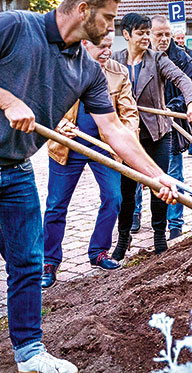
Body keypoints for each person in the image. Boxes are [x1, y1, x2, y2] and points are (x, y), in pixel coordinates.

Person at [0, 0, 181, 373]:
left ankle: (29, 354)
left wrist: (155, 174)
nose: (113, 27)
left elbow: (114, 130)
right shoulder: (14, 26)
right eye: (108, 18)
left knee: (27, 263)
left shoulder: (87, 69)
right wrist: (6, 100)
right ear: (82, 10)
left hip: (16, 170)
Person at [40, 33, 138, 289]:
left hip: (105, 147)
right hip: (67, 146)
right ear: (85, 44)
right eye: (101, 47)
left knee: (113, 198)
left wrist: (125, 140)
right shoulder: (63, 67)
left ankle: (99, 252)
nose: (108, 51)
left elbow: (129, 112)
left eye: (110, 46)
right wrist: (58, 123)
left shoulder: (118, 72)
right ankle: (49, 261)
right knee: (56, 205)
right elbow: (46, 105)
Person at [112, 13, 192, 257]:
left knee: (159, 187)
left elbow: (182, 79)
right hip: (127, 137)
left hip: (157, 134)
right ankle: (122, 238)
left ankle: (159, 236)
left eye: (145, 32)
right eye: (140, 33)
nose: (144, 37)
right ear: (127, 35)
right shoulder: (115, 61)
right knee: (126, 192)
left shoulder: (157, 59)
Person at [150, 15, 192, 241]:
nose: (164, 39)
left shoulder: (182, 58)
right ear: (149, 34)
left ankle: (175, 224)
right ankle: (133, 220)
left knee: (173, 173)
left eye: (167, 34)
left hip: (171, 126)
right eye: (159, 34)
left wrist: (176, 107)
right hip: (142, 125)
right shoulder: (140, 58)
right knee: (140, 175)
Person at [172, 29, 192, 156]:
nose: (180, 40)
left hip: (189, 93)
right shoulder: (169, 53)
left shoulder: (189, 52)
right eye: (178, 38)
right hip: (175, 93)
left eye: (182, 38)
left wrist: (190, 74)